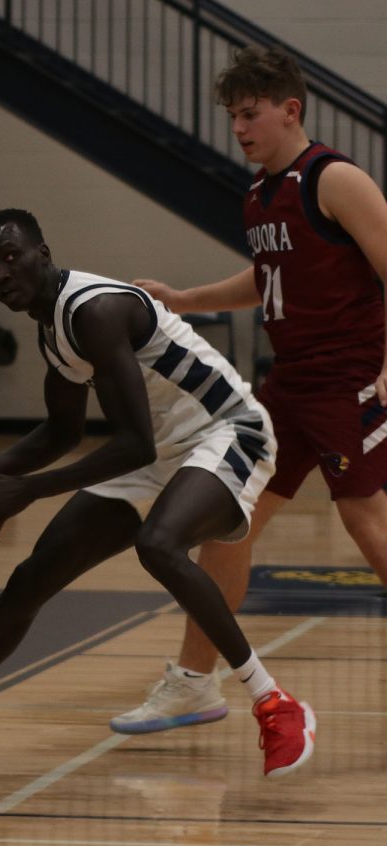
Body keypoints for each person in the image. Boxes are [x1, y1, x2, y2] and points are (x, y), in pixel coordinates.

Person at [0, 208, 315, 787]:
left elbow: (133, 445)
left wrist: (26, 491)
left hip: (226, 429)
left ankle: (275, 704)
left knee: (158, 545)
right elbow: (61, 432)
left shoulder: (95, 310)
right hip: (162, 449)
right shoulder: (53, 329)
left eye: (12, 257)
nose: (1, 273)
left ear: (43, 251)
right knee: (29, 580)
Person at [109, 45, 387, 736]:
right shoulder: (262, 193)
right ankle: (193, 683)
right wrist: (183, 297)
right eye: (233, 115)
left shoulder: (336, 178)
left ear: (290, 110)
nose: (238, 128)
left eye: (250, 114)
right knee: (229, 521)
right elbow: (267, 279)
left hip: (346, 377)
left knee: (365, 521)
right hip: (288, 384)